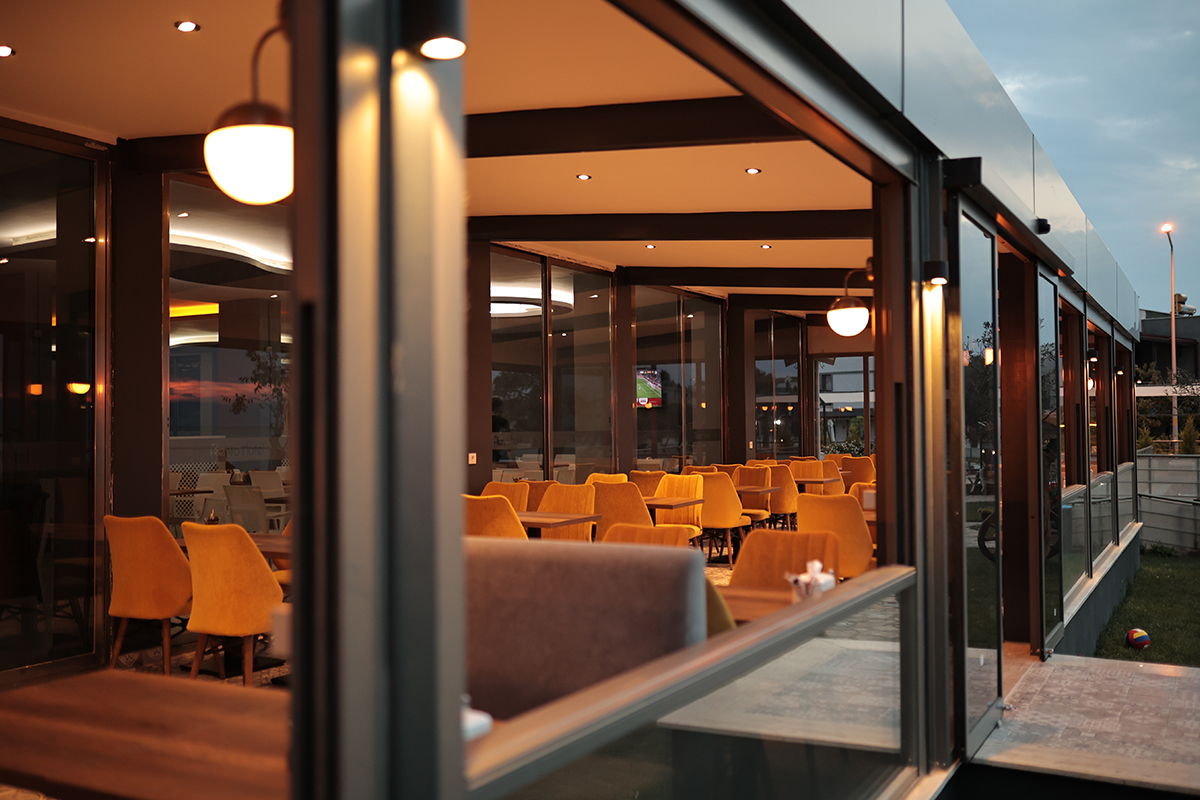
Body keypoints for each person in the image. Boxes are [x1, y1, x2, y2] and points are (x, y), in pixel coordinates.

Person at [492, 397, 510, 463]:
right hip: (500, 457)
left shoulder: (484, 423)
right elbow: (507, 442)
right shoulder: (503, 422)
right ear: (501, 408)